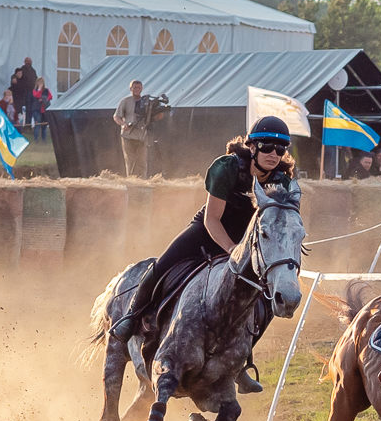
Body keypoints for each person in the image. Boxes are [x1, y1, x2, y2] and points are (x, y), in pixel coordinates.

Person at [107, 116, 295, 368]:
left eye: (280, 149)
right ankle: (131, 316)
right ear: (252, 147)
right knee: (163, 264)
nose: (274, 154)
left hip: (248, 242)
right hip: (208, 231)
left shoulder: (282, 182)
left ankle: (240, 361)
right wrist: (231, 250)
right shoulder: (226, 168)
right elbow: (213, 219)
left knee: (266, 296)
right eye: (267, 147)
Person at [114, 79, 150, 177]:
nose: (137, 89)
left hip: (141, 136)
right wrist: (122, 124)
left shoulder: (146, 102)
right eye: (135, 87)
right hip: (128, 135)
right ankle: (131, 181)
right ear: (131, 89)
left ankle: (142, 181)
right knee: (130, 161)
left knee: (142, 161)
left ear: (142, 88)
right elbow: (116, 116)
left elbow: (155, 118)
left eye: (139, 87)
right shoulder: (125, 101)